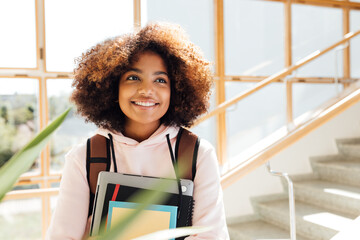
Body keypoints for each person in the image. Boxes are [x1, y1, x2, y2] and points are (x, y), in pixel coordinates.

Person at [46, 22, 229, 240]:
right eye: (133, 77)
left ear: (176, 90)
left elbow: (212, 236)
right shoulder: (83, 157)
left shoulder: (198, 154)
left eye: (160, 80)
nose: (146, 90)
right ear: (113, 87)